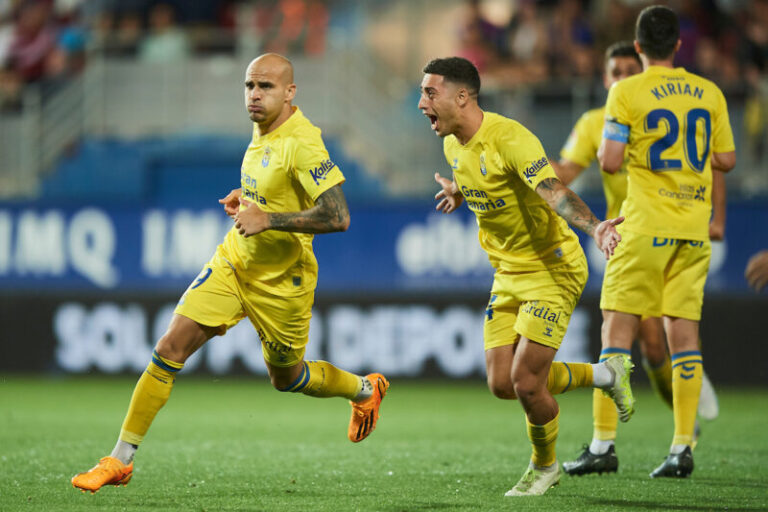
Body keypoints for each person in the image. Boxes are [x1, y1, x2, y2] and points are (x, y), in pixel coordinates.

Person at [71, 53, 389, 493]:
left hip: (282, 282)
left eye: (267, 88)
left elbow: (338, 216)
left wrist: (269, 219)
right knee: (169, 346)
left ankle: (363, 391)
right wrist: (250, 198)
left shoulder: (304, 142)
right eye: (249, 86)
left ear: (290, 92)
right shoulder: (263, 129)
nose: (255, 96)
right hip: (234, 263)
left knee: (288, 378)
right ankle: (119, 460)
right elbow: (275, 186)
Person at [419, 56, 635, 497]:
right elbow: (485, 177)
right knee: (502, 384)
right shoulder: (452, 144)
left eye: (429, 92)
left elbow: (553, 190)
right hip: (507, 272)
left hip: (552, 267)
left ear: (462, 97)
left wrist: (595, 227)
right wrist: (460, 190)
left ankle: (545, 467)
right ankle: (606, 375)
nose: (422, 102)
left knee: (526, 382)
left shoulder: (511, 138)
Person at [552, 41, 721, 477]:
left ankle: (626, 439)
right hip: (649, 233)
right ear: (605, 77)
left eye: (631, 67)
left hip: (641, 233)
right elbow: (565, 173)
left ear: (641, 61)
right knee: (657, 339)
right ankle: (686, 428)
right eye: (616, 70)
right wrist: (523, 172)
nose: (623, 76)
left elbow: (612, 164)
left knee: (634, 337)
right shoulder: (595, 120)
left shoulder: (632, 105)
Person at [596, 5, 735, 478]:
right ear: (678, 45)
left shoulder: (626, 91)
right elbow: (727, 159)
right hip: (693, 231)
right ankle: (680, 448)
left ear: (637, 47)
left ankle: (603, 444)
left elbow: (611, 162)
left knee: (616, 330)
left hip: (644, 226)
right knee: (684, 338)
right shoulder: (709, 91)